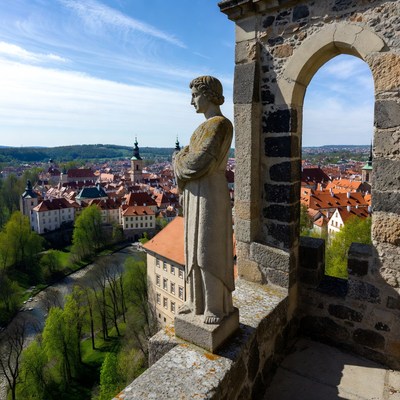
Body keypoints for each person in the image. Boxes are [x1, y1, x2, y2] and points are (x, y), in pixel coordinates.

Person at [173, 76, 234, 324]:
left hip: (210, 193)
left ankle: (215, 307)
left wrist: (177, 161)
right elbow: (189, 158)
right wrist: (182, 159)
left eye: (195, 95)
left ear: (208, 94)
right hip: (196, 193)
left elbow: (197, 161)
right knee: (193, 249)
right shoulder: (202, 128)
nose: (191, 102)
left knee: (208, 249)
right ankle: (196, 302)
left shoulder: (219, 124)